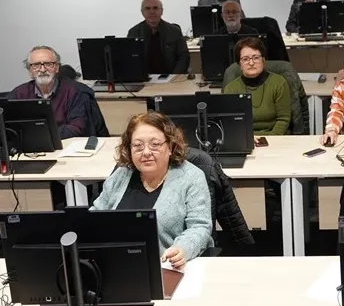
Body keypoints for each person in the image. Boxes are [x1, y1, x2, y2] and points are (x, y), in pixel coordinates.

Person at [91, 112, 213, 268]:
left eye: (155, 144)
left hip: (168, 266)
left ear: (170, 146)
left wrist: (183, 248)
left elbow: (200, 227)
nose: (146, 152)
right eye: (138, 146)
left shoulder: (191, 177)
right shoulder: (121, 175)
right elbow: (95, 218)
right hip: (117, 266)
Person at [8, 45, 89, 138]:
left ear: (57, 68)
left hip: (65, 144)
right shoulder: (19, 94)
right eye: (36, 65)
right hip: (29, 145)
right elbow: (8, 127)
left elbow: (77, 127)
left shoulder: (74, 92)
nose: (42, 70)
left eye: (48, 64)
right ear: (30, 71)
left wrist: (43, 136)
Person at [223, 37, 291, 135]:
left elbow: (283, 119)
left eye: (255, 58)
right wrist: (248, 138)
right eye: (245, 59)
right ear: (239, 64)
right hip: (244, 138)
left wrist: (269, 138)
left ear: (263, 60)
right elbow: (231, 123)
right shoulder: (231, 89)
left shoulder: (278, 83)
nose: (251, 63)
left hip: (274, 138)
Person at [127, 0, 190, 74]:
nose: (152, 11)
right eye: (147, 8)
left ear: (162, 11)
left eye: (155, 8)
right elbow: (130, 59)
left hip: (170, 77)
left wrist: (175, 77)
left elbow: (184, 56)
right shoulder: (134, 32)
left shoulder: (174, 31)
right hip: (144, 78)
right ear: (142, 12)